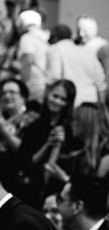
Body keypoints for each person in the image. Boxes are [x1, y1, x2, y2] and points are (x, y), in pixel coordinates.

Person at [17, 79, 78, 207]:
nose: (57, 101)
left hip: (56, 190)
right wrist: (48, 144)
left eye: (63, 99)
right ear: (48, 95)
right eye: (55, 96)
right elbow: (27, 162)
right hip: (30, 188)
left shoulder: (70, 130)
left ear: (68, 103)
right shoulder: (34, 126)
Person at [46, 24, 106, 107]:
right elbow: (100, 83)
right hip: (91, 104)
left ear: (54, 37)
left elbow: (54, 77)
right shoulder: (87, 51)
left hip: (70, 102)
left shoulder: (55, 49)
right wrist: (101, 107)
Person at [15, 9, 50, 108]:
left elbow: (28, 61)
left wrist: (23, 88)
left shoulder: (27, 38)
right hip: (44, 85)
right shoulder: (45, 37)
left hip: (32, 85)